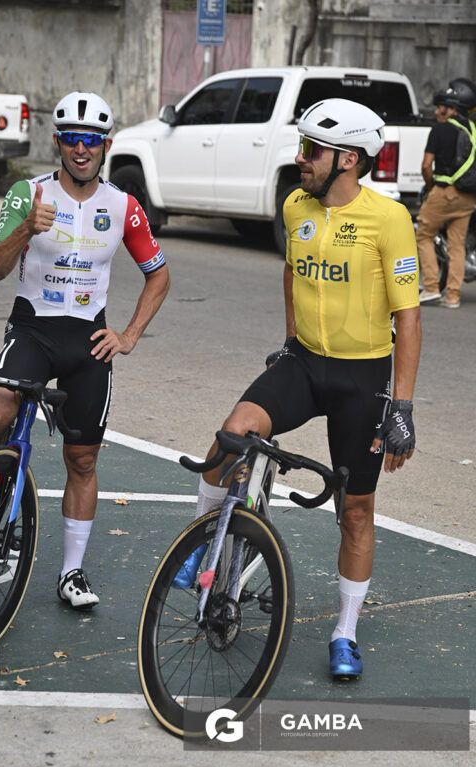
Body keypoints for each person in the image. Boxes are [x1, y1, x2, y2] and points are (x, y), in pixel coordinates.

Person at [174, 98, 421, 679]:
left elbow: (409, 318)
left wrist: (402, 406)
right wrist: (290, 339)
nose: (301, 158)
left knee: (355, 511)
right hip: (304, 364)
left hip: (362, 377)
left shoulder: (389, 220)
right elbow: (292, 270)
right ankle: (204, 543)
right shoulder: (294, 206)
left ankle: (345, 631)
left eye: (312, 149)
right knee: (231, 437)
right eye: (302, 146)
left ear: (349, 159)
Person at [0, 91, 170, 608]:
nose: (81, 149)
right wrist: (26, 229)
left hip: (89, 340)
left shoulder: (123, 206)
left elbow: (158, 276)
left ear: (106, 146)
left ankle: (71, 572)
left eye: (91, 140)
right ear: (59, 142)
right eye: (72, 138)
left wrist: (129, 335)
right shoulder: (30, 193)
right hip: (33, 329)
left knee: (83, 459)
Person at [416, 78, 476, 309]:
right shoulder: (472, 129)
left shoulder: (440, 129)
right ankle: (453, 296)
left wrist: (431, 187)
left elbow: (425, 165)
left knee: (423, 234)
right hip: (468, 195)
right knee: (457, 245)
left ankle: (431, 288)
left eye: (441, 106)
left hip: (445, 191)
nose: (437, 110)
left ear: (451, 109)